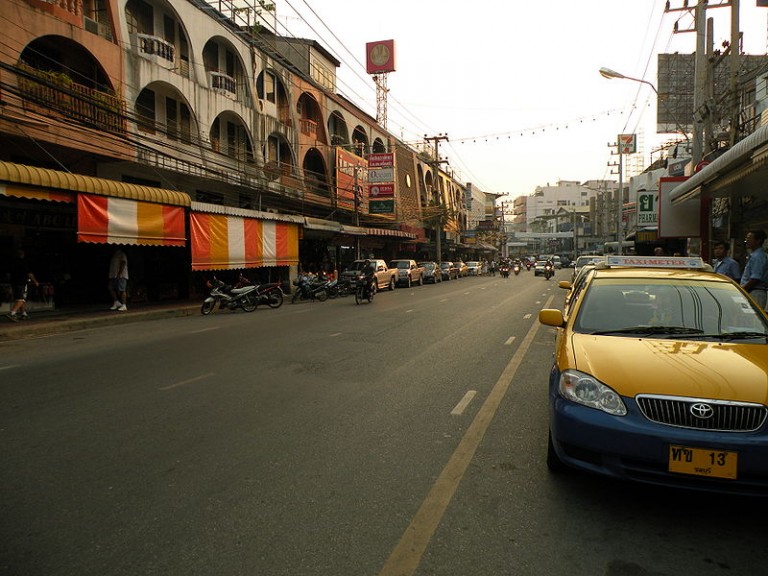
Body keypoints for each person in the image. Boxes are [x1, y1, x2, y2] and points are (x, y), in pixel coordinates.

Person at [6, 249, 38, 322]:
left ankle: (23, 314)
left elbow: (8, 273)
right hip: (22, 283)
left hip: (14, 283)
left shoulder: (12, 262)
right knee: (22, 299)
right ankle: (12, 313)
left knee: (19, 299)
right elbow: (29, 273)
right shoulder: (24, 262)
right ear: (23, 254)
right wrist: (35, 281)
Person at [740, 229, 768, 309]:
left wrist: (742, 289)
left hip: (755, 292)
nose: (747, 241)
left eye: (749, 239)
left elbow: (755, 278)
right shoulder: (754, 255)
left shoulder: (758, 256)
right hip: (751, 291)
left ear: (758, 241)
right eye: (746, 239)